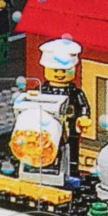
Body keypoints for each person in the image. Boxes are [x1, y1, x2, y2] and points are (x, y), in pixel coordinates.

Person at [38, 38, 91, 174]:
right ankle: (47, 169)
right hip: (47, 129)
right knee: (48, 148)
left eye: (64, 71)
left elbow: (83, 106)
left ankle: (72, 171)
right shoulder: (43, 91)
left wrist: (83, 117)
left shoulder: (75, 93)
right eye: (55, 70)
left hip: (70, 128)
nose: (59, 75)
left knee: (71, 150)